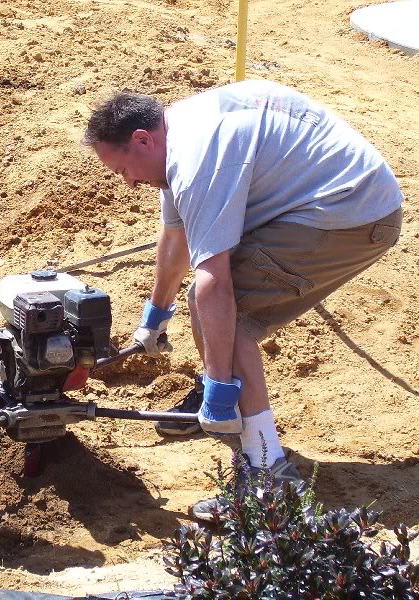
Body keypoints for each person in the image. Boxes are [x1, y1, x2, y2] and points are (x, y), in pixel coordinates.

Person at [82, 79, 403, 520]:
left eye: (123, 170)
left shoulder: (197, 159)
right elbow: (175, 240)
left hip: (349, 212)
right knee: (215, 311)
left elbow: (215, 281)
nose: (129, 182)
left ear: (141, 139)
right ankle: (234, 399)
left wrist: (217, 383)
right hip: (343, 200)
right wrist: (153, 317)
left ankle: (270, 474)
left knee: (223, 312)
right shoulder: (178, 132)